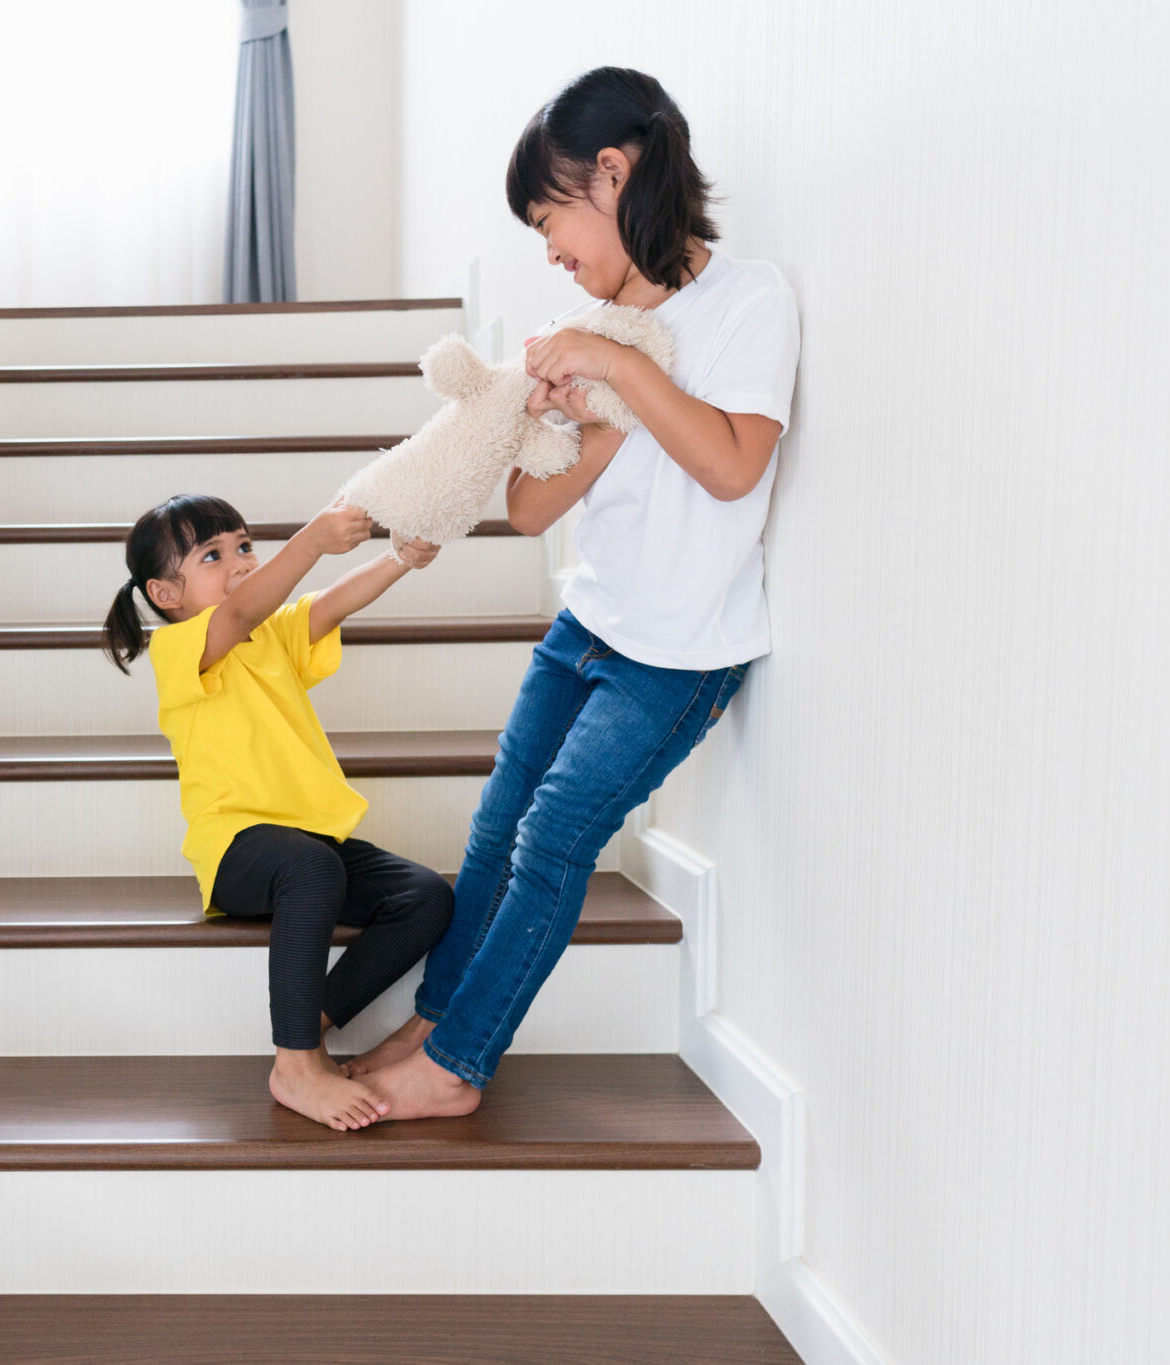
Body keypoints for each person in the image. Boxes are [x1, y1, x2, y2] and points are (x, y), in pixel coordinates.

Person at [350, 66, 802, 1118]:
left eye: (550, 218)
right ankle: (434, 1020)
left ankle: (455, 1068)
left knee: (553, 837)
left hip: (680, 653)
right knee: (496, 823)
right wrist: (588, 417)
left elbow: (733, 465)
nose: (549, 251)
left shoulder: (748, 301)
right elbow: (523, 511)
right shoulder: (580, 319)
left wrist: (614, 363)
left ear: (614, 170)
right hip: (586, 624)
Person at [103, 494, 453, 1131]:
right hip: (237, 850)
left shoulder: (269, 635)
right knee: (312, 868)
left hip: (306, 842)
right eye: (213, 555)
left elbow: (329, 603)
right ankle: (294, 1062)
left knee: (425, 896)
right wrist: (313, 540)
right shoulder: (180, 647)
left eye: (244, 546)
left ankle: (311, 1015)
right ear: (164, 592)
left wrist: (399, 557)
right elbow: (239, 609)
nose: (238, 561)